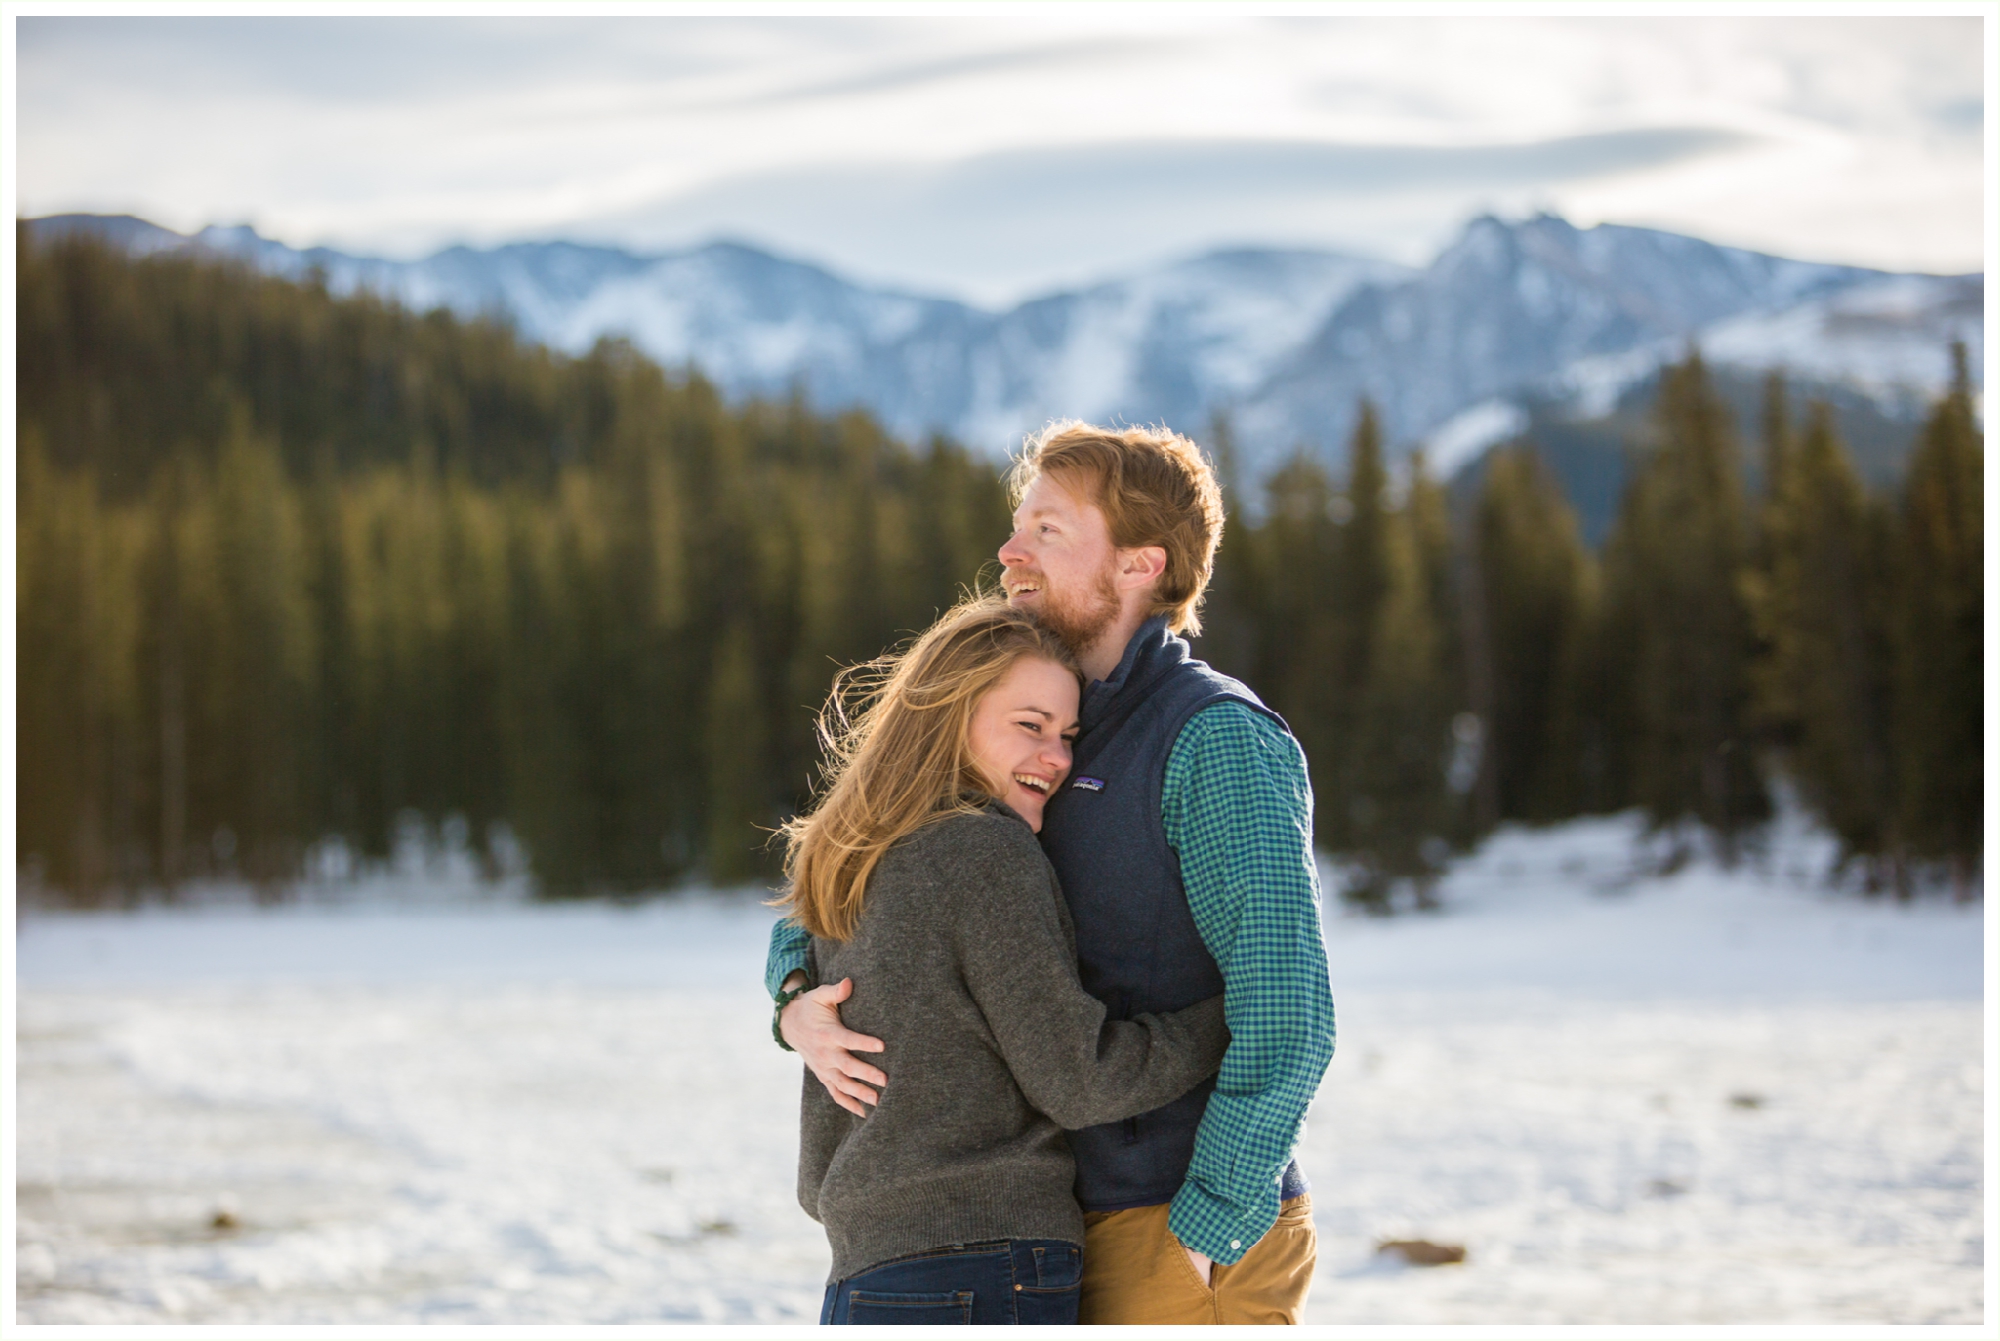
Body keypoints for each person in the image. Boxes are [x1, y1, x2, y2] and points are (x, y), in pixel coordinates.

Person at [770, 421, 1335, 1325]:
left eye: (1047, 530)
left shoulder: (1217, 741)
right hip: (1050, 1226)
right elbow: (858, 872)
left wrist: (1207, 1227)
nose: (1007, 550)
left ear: (1139, 564)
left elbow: (1289, 1014)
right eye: (1016, 525)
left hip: (1173, 1221)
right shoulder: (1027, 727)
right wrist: (796, 999)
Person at [775, 595, 1233, 1326]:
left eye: (1069, 735)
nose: (1055, 756)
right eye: (1030, 726)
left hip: (863, 1274)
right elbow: (1078, 1081)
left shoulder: (846, 863)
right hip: (985, 1266)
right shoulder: (985, 850)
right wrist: (1223, 1018)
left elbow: (818, 1165)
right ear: (948, 715)